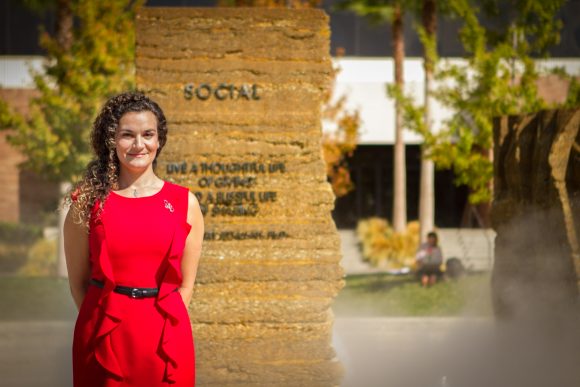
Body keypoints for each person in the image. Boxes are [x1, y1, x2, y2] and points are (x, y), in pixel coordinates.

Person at [63, 91, 204, 386]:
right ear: (112, 141)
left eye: (148, 134)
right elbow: (78, 282)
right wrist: (99, 321)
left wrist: (165, 325)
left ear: (159, 140)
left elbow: (186, 284)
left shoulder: (184, 202)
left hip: (165, 339)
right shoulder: (88, 202)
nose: (139, 145)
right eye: (128, 135)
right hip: (102, 334)